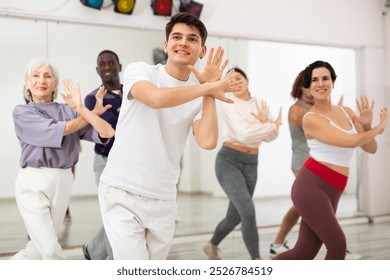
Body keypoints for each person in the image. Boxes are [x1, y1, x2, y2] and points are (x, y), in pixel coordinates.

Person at [97, 12, 244, 260]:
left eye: (192, 39)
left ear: (202, 50)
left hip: (164, 199)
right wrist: (209, 87)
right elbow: (156, 99)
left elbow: (208, 141)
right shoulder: (141, 71)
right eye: (176, 37)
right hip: (122, 190)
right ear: (166, 45)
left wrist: (208, 93)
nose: (183, 42)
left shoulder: (199, 92)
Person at [273, 60, 387, 260]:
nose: (320, 83)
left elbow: (371, 148)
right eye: (314, 80)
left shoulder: (347, 112)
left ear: (332, 82)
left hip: (334, 188)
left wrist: (368, 126)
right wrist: (379, 128)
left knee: (304, 252)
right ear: (308, 86)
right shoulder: (311, 118)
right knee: (338, 244)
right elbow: (351, 142)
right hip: (311, 186)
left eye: (325, 78)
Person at [11, 59, 114, 260]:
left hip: (64, 181)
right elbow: (59, 130)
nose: (42, 80)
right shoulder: (22, 112)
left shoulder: (70, 111)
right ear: (27, 83)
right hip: (33, 182)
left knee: (37, 249)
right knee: (50, 249)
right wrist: (89, 113)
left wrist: (83, 110)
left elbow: (107, 132)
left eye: (48, 76)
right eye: (36, 75)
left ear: (55, 85)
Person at [203, 67, 282, 260]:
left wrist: (266, 125)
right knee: (247, 210)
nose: (235, 83)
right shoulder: (228, 103)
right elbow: (244, 134)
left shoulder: (259, 104)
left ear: (247, 79)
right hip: (228, 161)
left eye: (238, 78)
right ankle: (256, 260)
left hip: (251, 163)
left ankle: (212, 244)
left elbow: (272, 137)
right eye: (230, 81)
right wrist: (269, 124)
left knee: (235, 216)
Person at [82, 50, 122, 260]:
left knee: (122, 214)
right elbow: (109, 129)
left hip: (130, 163)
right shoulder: (92, 99)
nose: (107, 67)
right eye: (102, 64)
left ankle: (93, 250)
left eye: (111, 63)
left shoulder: (133, 92)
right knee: (113, 214)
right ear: (97, 70)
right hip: (105, 163)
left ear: (119, 66)